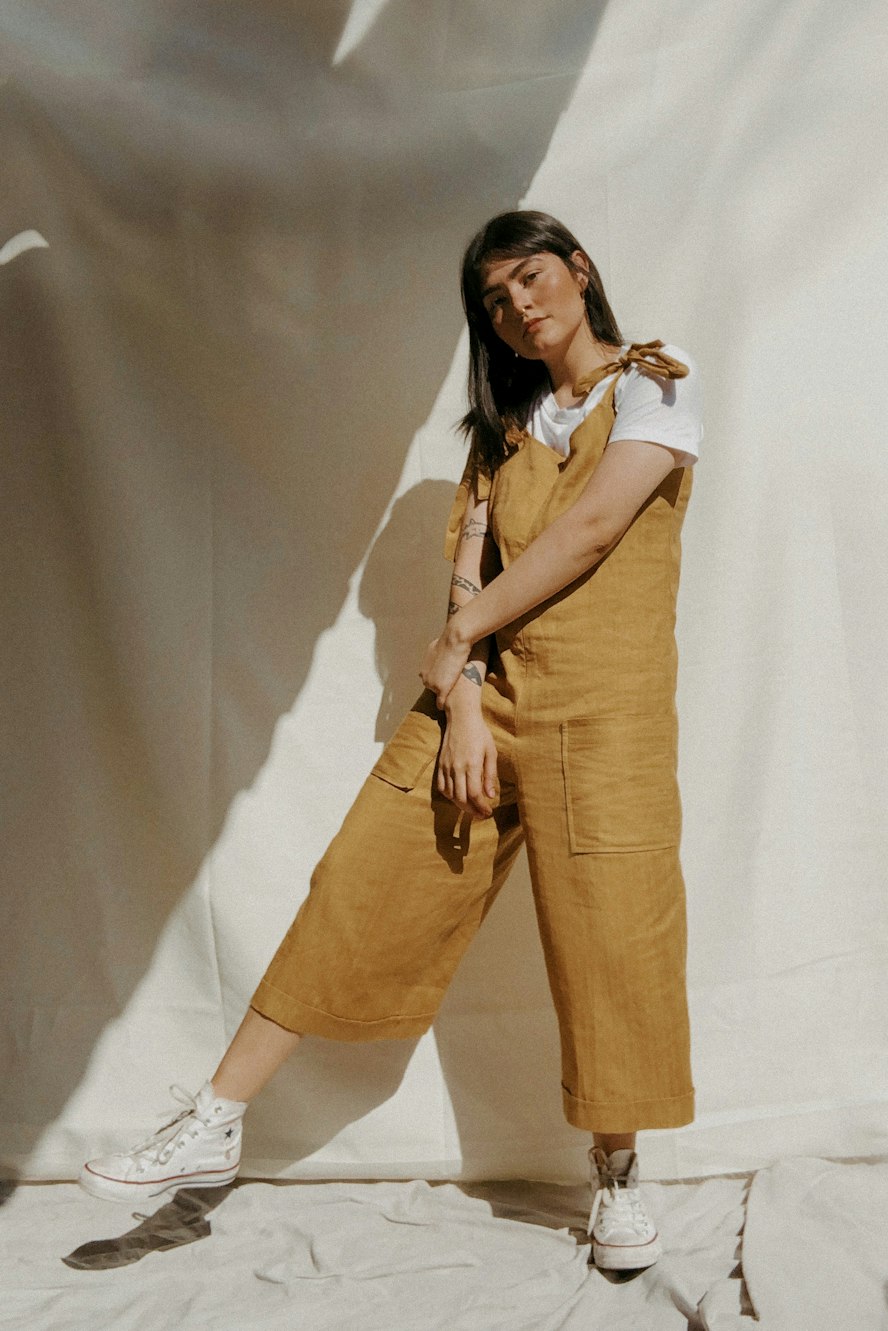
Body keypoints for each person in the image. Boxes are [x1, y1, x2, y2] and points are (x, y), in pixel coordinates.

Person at [79, 210, 703, 1273]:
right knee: (357, 882)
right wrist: (461, 696)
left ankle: (614, 1171)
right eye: (497, 300)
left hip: (607, 711)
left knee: (611, 936)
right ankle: (216, 1114)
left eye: (532, 278)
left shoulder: (657, 387)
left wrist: (458, 633)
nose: (520, 306)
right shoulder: (498, 435)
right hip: (484, 693)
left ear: (579, 268)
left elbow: (593, 527)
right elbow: (466, 568)